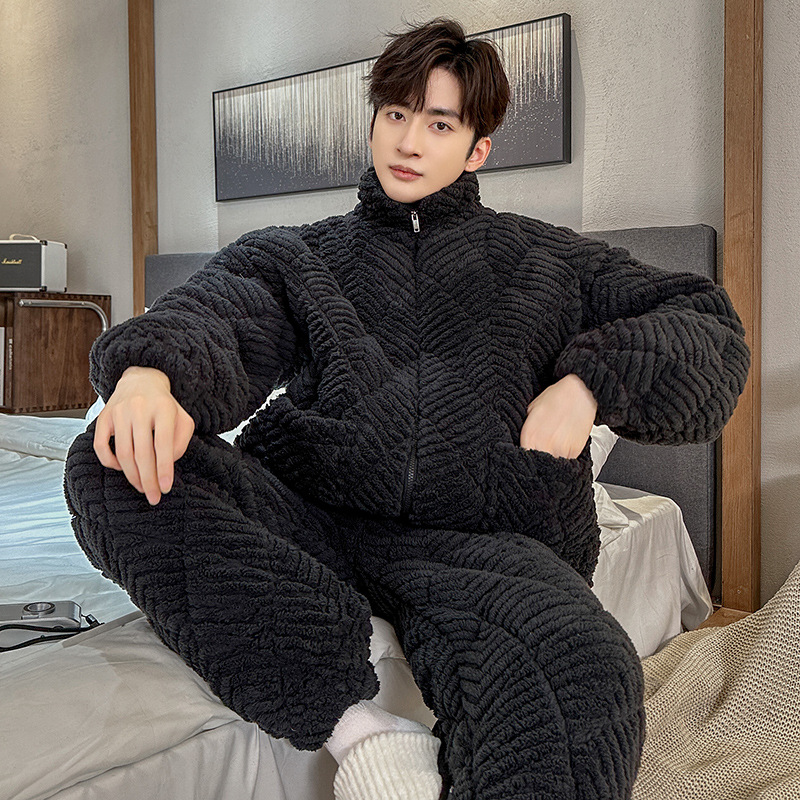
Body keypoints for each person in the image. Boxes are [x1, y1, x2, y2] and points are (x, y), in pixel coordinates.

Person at [65, 17, 750, 800]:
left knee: (582, 672)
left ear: (478, 148)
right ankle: (360, 730)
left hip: (482, 543)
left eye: (439, 124)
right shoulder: (301, 255)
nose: (409, 141)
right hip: (312, 517)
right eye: (395, 114)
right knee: (107, 461)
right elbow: (222, 309)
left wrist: (588, 385)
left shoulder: (550, 261)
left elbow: (705, 323)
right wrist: (151, 374)